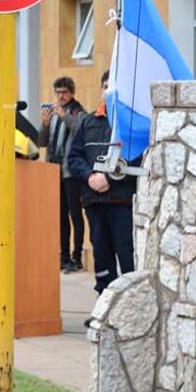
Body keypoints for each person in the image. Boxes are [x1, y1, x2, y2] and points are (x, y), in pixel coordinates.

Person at [67, 70, 136, 304]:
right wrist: (89, 177)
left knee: (128, 256)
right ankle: (104, 304)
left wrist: (111, 178)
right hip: (94, 202)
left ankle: (129, 308)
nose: (108, 91)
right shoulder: (88, 122)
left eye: (113, 86)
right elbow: (74, 157)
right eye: (105, 86)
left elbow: (138, 159)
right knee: (101, 255)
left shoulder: (132, 124)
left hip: (122, 202)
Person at [37, 76, 86, 272]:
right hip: (54, 171)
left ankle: (77, 256)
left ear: (72, 93)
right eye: (57, 92)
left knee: (75, 215)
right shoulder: (54, 113)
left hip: (71, 172)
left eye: (64, 92)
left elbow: (79, 129)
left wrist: (64, 115)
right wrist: (45, 124)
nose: (61, 96)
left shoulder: (78, 112)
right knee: (60, 216)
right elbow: (41, 142)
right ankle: (63, 255)